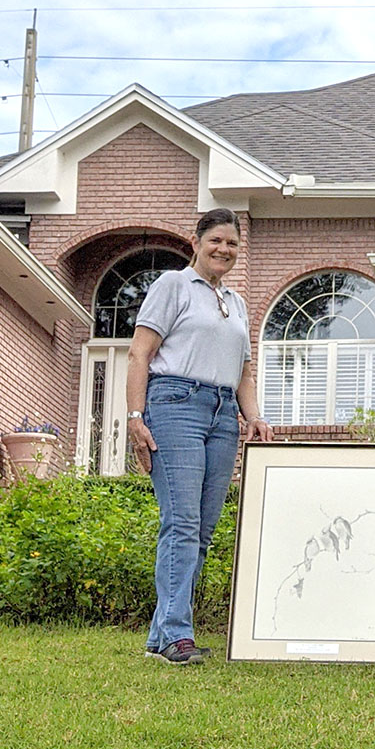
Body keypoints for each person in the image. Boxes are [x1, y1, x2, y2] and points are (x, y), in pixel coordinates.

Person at [126, 207, 273, 665]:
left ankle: (160, 635)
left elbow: (244, 372)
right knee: (182, 522)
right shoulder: (172, 285)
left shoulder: (237, 301)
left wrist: (254, 416)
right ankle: (176, 634)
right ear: (197, 241)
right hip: (174, 404)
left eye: (232, 244)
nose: (224, 249)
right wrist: (135, 416)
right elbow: (139, 353)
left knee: (203, 528)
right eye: (216, 241)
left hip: (223, 412)